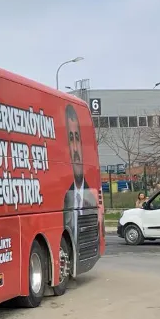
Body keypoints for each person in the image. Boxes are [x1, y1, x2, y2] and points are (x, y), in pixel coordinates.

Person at [63, 104, 98, 267]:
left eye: (77, 137)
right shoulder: (64, 198)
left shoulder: (91, 196)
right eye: (71, 138)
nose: (75, 148)